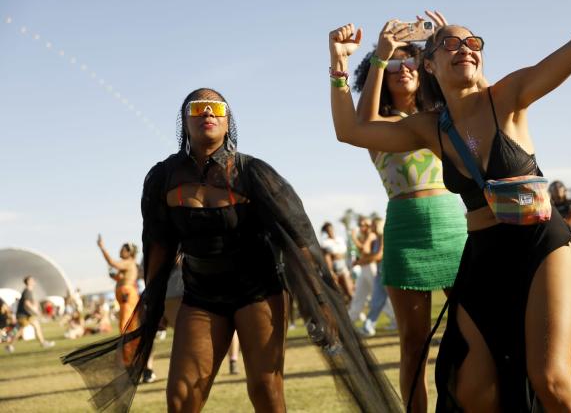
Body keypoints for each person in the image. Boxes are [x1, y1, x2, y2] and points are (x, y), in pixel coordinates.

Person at [329, 0, 571, 409]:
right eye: (449, 43)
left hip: (540, 244)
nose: (464, 48)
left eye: (472, 42)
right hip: (484, 256)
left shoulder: (509, 95)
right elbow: (351, 131)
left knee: (551, 380)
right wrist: (341, 64)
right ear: (429, 64)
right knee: (471, 389)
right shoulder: (432, 126)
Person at [63, 88, 401, 413]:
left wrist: (321, 300)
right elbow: (158, 243)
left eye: (217, 108)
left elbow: (299, 238)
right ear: (185, 121)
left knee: (266, 391)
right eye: (197, 108)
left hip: (259, 290)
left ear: (228, 122)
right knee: (181, 397)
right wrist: (150, 300)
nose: (207, 112)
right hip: (201, 294)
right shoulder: (163, 176)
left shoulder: (253, 172)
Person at [351, 13, 467, 411]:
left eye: (411, 61)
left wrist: (445, 46)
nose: (404, 69)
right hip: (405, 232)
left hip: (456, 227)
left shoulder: (442, 115)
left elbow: (469, 91)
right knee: (413, 344)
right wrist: (380, 57)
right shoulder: (376, 124)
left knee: (476, 331)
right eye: (394, 64)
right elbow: (358, 120)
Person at [360, 216, 396, 337]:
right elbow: (366, 252)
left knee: (389, 301)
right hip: (380, 274)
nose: (372, 227)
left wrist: (362, 261)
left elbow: (379, 256)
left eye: (374, 225)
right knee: (376, 301)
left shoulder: (384, 237)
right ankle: (368, 327)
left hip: (387, 272)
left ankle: (368, 326)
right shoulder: (376, 239)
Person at [97, 236, 140, 335]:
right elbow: (121, 278)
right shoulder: (127, 265)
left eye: (123, 250)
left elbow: (112, 263)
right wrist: (114, 276)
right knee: (127, 321)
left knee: (126, 322)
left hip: (127, 294)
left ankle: (129, 346)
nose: (120, 251)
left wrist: (102, 247)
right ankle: (130, 345)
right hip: (126, 294)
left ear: (129, 253)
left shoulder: (128, 263)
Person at [15, 276, 54, 349]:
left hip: (27, 315)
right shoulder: (27, 291)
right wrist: (35, 311)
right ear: (28, 282)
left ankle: (43, 343)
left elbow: (31, 302)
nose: (34, 281)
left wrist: (35, 306)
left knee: (36, 326)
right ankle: (10, 345)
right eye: (32, 280)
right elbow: (27, 303)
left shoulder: (29, 291)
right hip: (23, 315)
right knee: (21, 330)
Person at [320, 222, 354, 302]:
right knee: (337, 292)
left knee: (349, 291)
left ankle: (353, 310)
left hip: (343, 266)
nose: (330, 231)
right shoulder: (325, 243)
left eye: (331, 229)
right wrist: (331, 271)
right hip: (333, 268)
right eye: (328, 230)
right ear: (326, 231)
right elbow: (327, 257)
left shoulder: (340, 239)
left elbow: (343, 254)